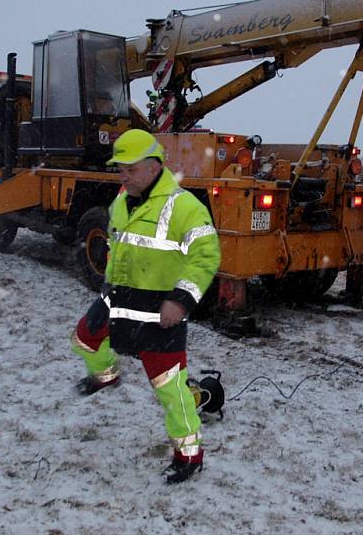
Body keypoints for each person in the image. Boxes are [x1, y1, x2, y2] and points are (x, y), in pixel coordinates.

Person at [71, 128, 220, 484]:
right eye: (119, 169)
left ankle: (189, 456)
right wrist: (108, 285)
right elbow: (118, 247)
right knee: (84, 337)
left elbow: (206, 257)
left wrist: (180, 300)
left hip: (160, 311)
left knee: (170, 389)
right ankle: (106, 375)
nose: (122, 176)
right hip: (118, 298)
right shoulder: (121, 201)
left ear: (153, 167)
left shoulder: (184, 206)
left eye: (129, 169)